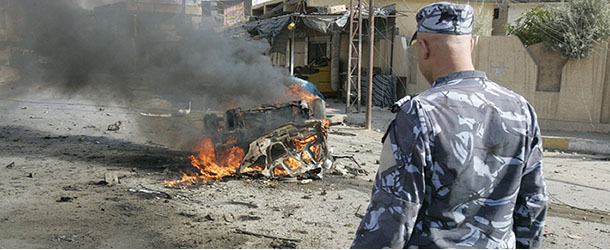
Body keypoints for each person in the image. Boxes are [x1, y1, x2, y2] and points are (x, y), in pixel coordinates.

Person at [351, 2, 547, 248]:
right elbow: (532, 204)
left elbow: (392, 216)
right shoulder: (521, 109)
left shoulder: (419, 114)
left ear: (422, 49)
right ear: (472, 44)